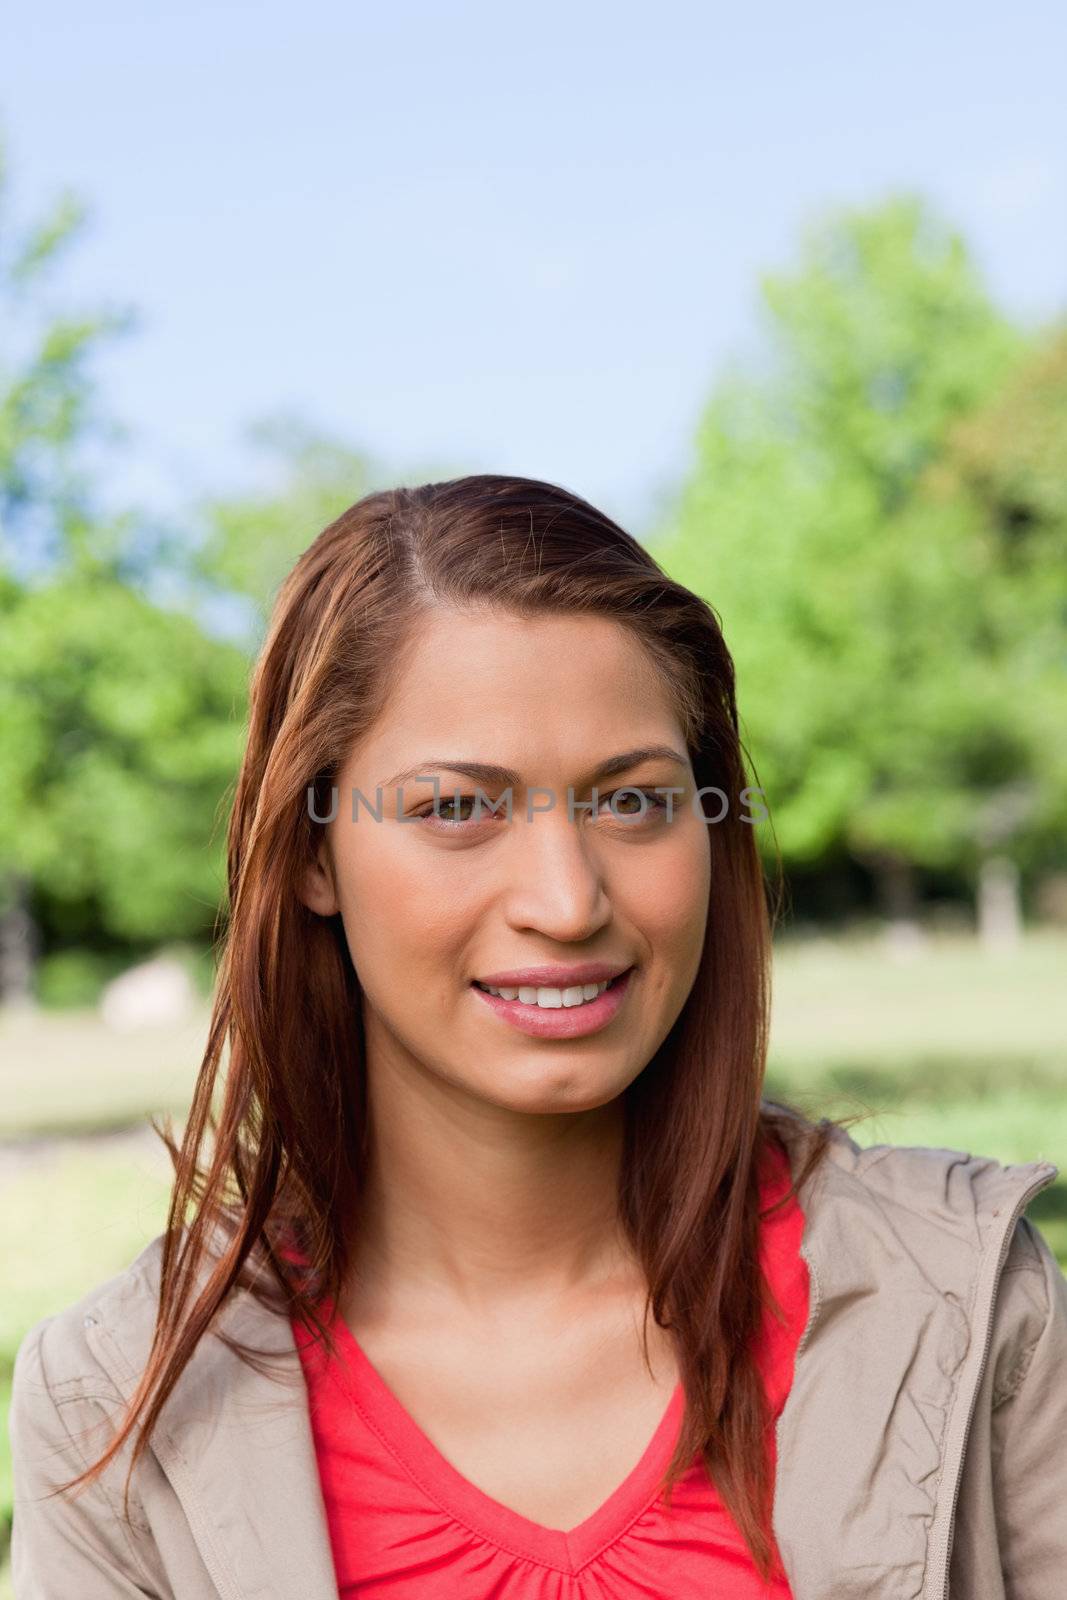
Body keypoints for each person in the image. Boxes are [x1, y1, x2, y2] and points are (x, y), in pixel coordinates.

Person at [9, 474, 1067, 1599]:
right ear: (313, 854)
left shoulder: (961, 1305)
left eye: (633, 800)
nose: (566, 903)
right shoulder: (113, 1408)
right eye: (456, 809)